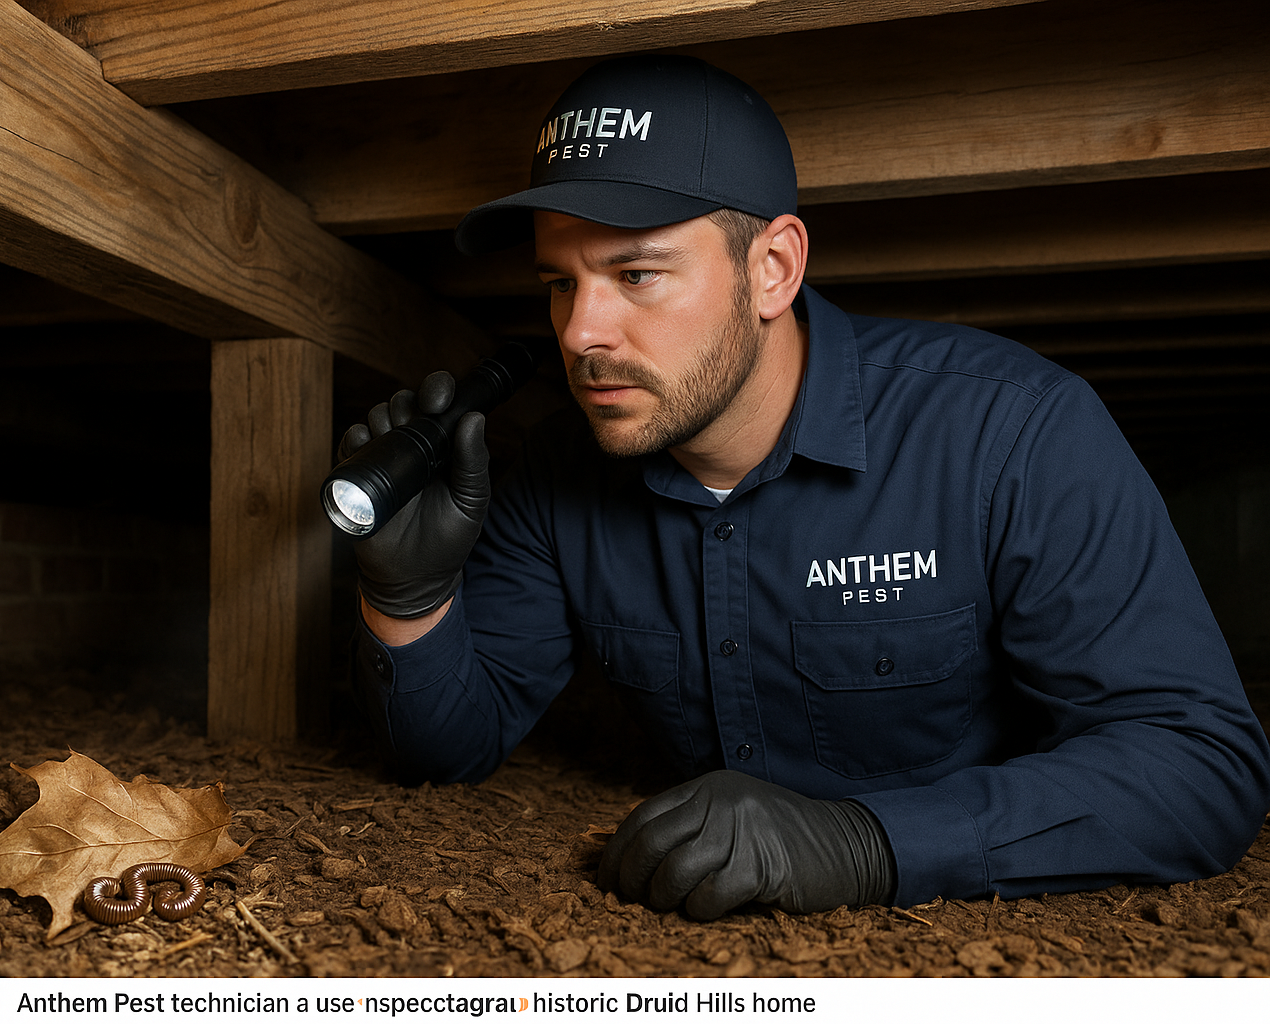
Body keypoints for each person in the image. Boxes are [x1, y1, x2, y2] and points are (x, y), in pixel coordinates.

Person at [337, 54, 1270, 920]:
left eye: (636, 274)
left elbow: (1199, 764)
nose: (581, 332)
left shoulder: (1011, 431)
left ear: (772, 269)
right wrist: (407, 599)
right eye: (559, 283)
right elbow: (450, 753)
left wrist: (867, 844)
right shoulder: (554, 474)